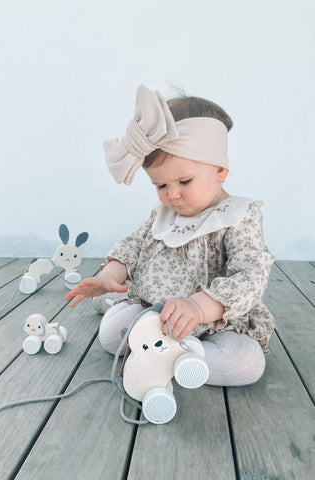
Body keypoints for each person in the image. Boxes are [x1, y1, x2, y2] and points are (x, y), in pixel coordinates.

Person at [65, 84, 275, 387]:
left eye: (184, 180)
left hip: (214, 322)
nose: (172, 194)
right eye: (160, 186)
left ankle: (158, 359)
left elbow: (251, 274)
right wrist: (110, 275)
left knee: (246, 364)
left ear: (219, 169)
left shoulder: (239, 215)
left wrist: (198, 307)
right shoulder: (163, 213)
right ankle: (175, 359)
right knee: (111, 334)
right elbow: (133, 246)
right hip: (156, 316)